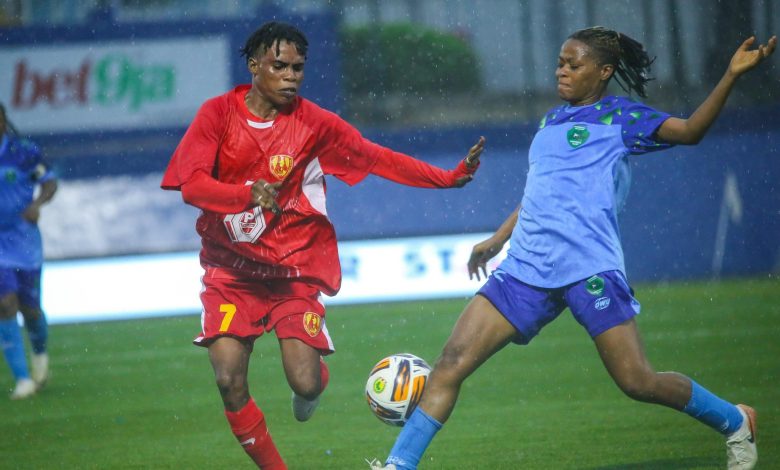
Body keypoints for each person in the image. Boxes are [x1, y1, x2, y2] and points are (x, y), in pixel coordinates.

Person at [370, 27, 776, 470]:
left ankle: (735, 420)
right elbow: (542, 193)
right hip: (525, 269)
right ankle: (399, 465)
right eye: (561, 62)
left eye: (573, 64)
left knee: (637, 381)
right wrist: (499, 238)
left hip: (589, 268)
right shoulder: (549, 122)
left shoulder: (622, 118)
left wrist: (732, 75)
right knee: (450, 362)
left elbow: (693, 130)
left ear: (603, 72)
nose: (561, 70)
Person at [160, 21, 484, 469]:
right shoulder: (217, 115)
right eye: (280, 66)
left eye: (298, 67)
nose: (291, 76)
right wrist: (245, 192)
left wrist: (446, 179)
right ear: (254, 66)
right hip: (230, 273)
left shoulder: (313, 124)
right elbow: (191, 186)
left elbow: (375, 157)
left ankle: (311, 385)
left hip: (291, 273)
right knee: (229, 379)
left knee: (306, 382)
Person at [0, 102, 56, 400]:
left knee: (30, 309)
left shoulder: (24, 153)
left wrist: (37, 204)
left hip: (24, 243)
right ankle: (22, 379)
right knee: (5, 304)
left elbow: (49, 182)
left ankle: (39, 352)